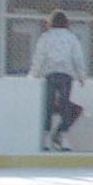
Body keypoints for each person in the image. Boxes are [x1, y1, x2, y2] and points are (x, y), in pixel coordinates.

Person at [31, 10, 88, 152]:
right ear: (66, 23)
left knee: (47, 107)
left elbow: (39, 57)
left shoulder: (45, 37)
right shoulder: (71, 38)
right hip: (65, 75)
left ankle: (44, 140)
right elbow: (77, 58)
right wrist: (81, 75)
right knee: (65, 107)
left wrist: (33, 75)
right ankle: (62, 136)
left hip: (49, 75)